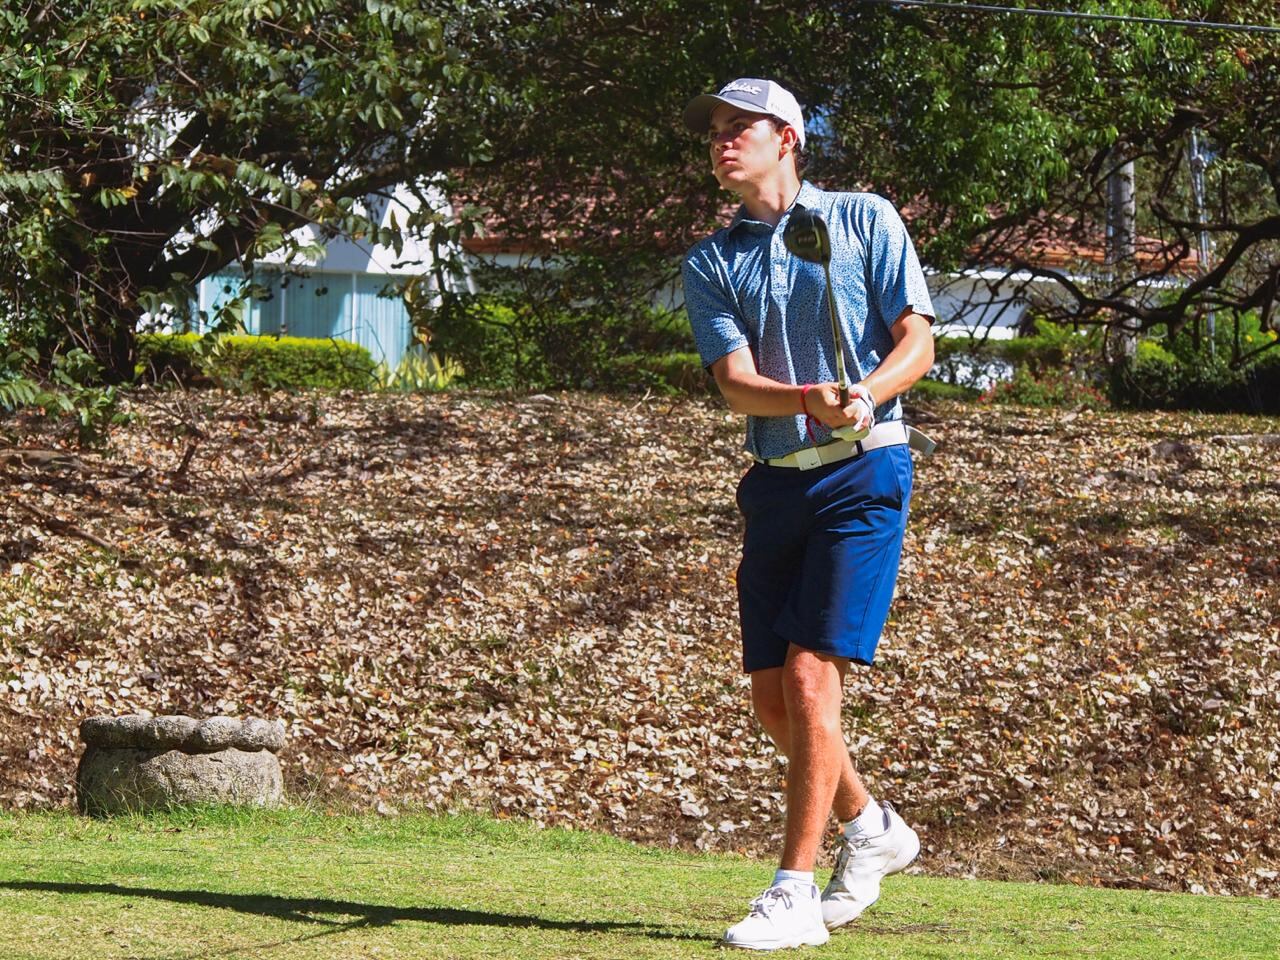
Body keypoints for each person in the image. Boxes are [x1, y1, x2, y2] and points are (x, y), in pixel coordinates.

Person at [680, 78, 937, 951]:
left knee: (808, 678)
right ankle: (872, 828)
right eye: (714, 131)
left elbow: (918, 340)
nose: (721, 142)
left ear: (786, 136)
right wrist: (805, 397)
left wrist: (863, 393)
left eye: (737, 128)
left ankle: (793, 892)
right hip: (777, 483)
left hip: (866, 473)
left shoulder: (863, 218)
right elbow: (733, 382)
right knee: (770, 702)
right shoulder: (712, 260)